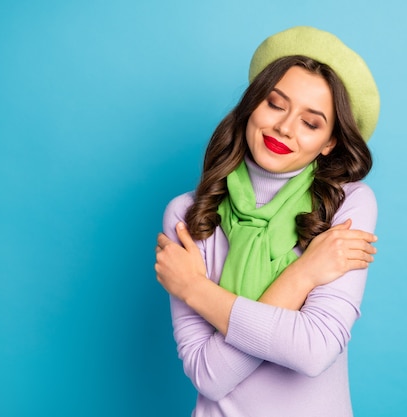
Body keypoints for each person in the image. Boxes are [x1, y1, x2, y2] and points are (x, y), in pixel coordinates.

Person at [155, 26, 380, 417]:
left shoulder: (347, 204)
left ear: (329, 142)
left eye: (311, 123)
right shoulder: (187, 215)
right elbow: (208, 376)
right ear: (252, 106)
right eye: (276, 104)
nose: (285, 127)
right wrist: (303, 275)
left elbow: (313, 350)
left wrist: (194, 288)